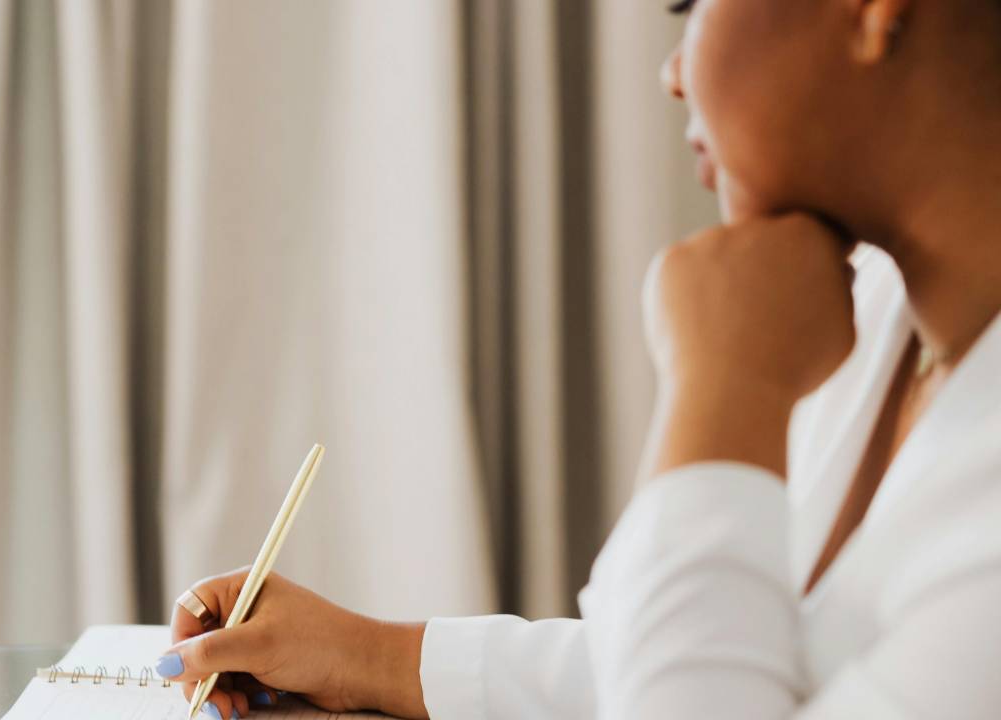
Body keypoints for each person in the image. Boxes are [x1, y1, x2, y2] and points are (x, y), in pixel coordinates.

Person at [153, 0, 1001, 717]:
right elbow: (712, 657)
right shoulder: (884, 318)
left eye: (692, 3)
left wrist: (727, 385)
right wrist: (367, 656)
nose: (673, 71)